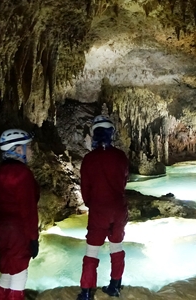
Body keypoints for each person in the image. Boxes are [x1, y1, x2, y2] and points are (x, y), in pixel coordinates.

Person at [76, 115, 129, 300]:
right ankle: (115, 286)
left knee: (92, 250)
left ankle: (87, 291)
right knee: (117, 247)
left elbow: (85, 188)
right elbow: (123, 181)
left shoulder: (89, 159)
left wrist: (92, 203)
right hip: (118, 208)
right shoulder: (120, 156)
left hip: (99, 209)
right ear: (111, 134)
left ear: (95, 135)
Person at [0, 129, 40, 300]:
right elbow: (29, 210)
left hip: (0, 227)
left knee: (7, 266)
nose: (31, 151)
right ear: (18, 149)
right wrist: (33, 238)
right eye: (29, 147)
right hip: (18, 228)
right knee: (19, 271)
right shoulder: (23, 174)